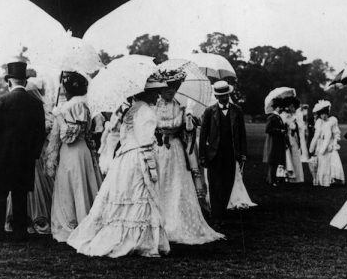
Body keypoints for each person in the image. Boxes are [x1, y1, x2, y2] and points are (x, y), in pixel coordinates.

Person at [67, 76, 170, 257]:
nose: (158, 96)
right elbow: (145, 140)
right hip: (139, 157)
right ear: (147, 93)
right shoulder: (146, 111)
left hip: (125, 158)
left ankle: (128, 237)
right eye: (155, 93)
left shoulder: (130, 108)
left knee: (125, 196)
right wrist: (157, 139)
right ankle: (137, 240)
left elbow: (122, 135)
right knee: (140, 195)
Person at [154, 69, 223, 244]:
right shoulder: (155, 106)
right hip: (159, 148)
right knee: (159, 180)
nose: (170, 93)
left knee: (177, 181)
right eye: (167, 90)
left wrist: (185, 120)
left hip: (175, 148)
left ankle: (177, 219)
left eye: (173, 89)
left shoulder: (179, 106)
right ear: (161, 90)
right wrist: (161, 129)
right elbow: (152, 123)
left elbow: (180, 125)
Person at [0, 62, 46, 242]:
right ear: (25, 82)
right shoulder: (35, 103)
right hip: (25, 157)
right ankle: (20, 232)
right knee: (20, 195)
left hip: (1, 156)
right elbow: (40, 132)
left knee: (0, 195)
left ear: (9, 82)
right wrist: (34, 153)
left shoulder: (2, 100)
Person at [45, 71, 102, 243]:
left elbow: (68, 136)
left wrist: (59, 117)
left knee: (73, 183)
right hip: (81, 150)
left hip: (73, 151)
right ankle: (80, 220)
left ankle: (74, 223)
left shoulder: (74, 105)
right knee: (81, 182)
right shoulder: (82, 104)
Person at [5, 77, 56, 235]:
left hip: (37, 151)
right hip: (34, 150)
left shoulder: (41, 109)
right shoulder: (35, 107)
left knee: (32, 181)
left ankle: (31, 216)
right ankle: (25, 216)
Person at [199, 80, 247, 225]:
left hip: (231, 154)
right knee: (214, 184)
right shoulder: (209, 111)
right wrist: (202, 155)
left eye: (226, 95)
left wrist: (243, 153)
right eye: (221, 96)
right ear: (216, 96)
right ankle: (216, 215)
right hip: (214, 155)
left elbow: (242, 134)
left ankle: (222, 212)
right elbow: (203, 135)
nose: (224, 98)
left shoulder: (237, 111)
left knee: (227, 183)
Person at [309, 100, 344, 187]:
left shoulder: (332, 121)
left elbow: (336, 134)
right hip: (320, 144)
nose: (323, 116)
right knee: (321, 163)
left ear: (327, 113)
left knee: (329, 162)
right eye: (321, 114)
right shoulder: (319, 122)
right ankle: (321, 181)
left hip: (329, 145)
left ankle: (330, 180)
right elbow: (316, 136)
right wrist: (314, 147)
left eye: (325, 114)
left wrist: (334, 144)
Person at [263, 98, 287, 186]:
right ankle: (271, 179)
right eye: (280, 107)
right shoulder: (272, 117)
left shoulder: (278, 117)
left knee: (276, 160)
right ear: (276, 107)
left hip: (278, 141)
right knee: (273, 160)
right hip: (273, 141)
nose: (281, 109)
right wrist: (279, 131)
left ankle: (272, 178)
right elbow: (267, 129)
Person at [281, 96, 305, 183]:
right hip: (287, 138)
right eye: (290, 106)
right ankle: (288, 175)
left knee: (295, 156)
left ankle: (297, 176)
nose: (292, 108)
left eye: (293, 107)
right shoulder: (284, 116)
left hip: (293, 138)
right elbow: (284, 128)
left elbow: (298, 129)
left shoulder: (295, 116)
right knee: (288, 156)